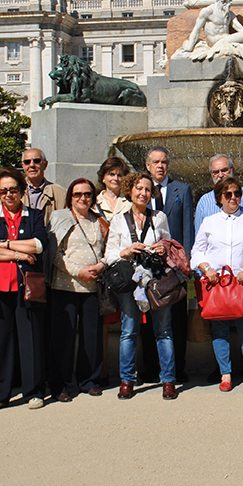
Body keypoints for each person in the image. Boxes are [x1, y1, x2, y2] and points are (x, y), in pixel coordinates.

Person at [0, 168, 49, 411]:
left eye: (13, 190)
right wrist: (18, 253)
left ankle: (34, 392)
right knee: (1, 342)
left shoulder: (34, 215)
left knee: (31, 340)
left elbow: (39, 245)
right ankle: (0, 394)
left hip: (26, 287)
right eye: (3, 190)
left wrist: (4, 245)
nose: (8, 194)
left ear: (21, 191)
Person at [105, 171, 178, 401]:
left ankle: (168, 380)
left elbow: (169, 246)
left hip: (155, 280)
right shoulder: (118, 219)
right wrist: (126, 252)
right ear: (130, 190)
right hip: (130, 280)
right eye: (138, 188)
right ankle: (126, 380)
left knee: (164, 331)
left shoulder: (159, 218)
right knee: (129, 331)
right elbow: (108, 255)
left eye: (147, 189)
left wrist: (162, 249)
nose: (143, 193)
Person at [192, 177, 243, 391]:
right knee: (219, 330)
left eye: (236, 193)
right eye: (228, 194)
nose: (233, 198)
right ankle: (225, 374)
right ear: (219, 199)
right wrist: (206, 268)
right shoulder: (209, 222)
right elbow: (196, 252)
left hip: (242, 284)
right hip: (216, 284)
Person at [47, 179, 107, 402]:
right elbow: (54, 253)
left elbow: (108, 248)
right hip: (65, 286)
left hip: (92, 287)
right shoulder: (59, 218)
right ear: (70, 196)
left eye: (88, 194)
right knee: (63, 338)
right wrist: (77, 272)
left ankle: (89, 380)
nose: (83, 198)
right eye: (78, 194)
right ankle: (61, 384)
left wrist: (101, 265)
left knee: (91, 338)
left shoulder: (98, 220)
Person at [145, 146, 193, 384]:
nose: (160, 166)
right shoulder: (141, 190)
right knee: (148, 316)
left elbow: (187, 228)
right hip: (148, 266)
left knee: (177, 320)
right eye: (155, 162)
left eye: (164, 161)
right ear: (148, 166)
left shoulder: (181, 189)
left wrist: (185, 265)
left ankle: (178, 368)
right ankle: (150, 368)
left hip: (175, 268)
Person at [94, 156, 131, 385]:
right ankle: (103, 370)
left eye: (119, 174)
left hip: (125, 264)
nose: (115, 178)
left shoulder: (129, 200)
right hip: (101, 262)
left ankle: (129, 370)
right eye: (111, 174)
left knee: (128, 319)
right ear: (103, 177)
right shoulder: (94, 202)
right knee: (104, 321)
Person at [194, 154, 243, 236]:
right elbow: (199, 235)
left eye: (224, 170)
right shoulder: (204, 202)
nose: (220, 175)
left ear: (233, 170)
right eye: (216, 172)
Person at [21, 148, 67, 226]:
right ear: (23, 166)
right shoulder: (12, 191)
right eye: (27, 162)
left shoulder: (60, 194)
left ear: (45, 165)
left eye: (37, 161)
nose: (32, 165)